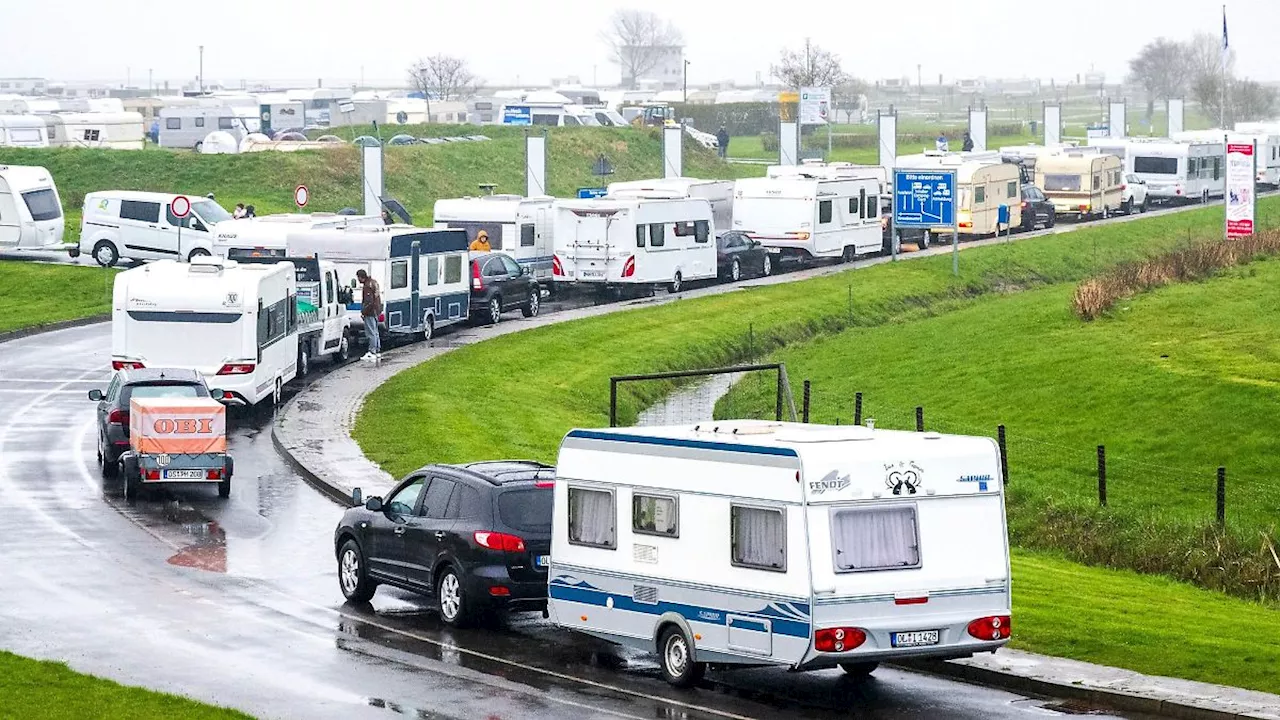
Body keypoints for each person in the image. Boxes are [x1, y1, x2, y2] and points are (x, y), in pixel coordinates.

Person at [356, 269, 383, 361]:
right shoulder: (373, 282)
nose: (358, 280)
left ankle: (372, 351)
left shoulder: (367, 286)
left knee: (370, 332)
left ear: (360, 277)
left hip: (370, 312)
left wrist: (364, 312)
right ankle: (377, 350)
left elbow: (368, 302)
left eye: (358, 277)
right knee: (375, 331)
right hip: (376, 311)